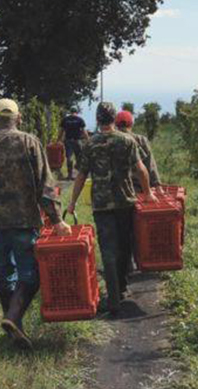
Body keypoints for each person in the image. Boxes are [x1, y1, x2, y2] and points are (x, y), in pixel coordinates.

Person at [0, 98, 71, 348]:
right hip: (24, 220)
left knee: (4, 272)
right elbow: (46, 184)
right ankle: (12, 318)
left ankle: (13, 328)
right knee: (30, 275)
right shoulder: (29, 142)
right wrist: (57, 219)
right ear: (18, 119)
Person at [63, 101, 150, 316]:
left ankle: (113, 298)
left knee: (108, 250)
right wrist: (148, 192)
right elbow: (140, 169)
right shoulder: (127, 141)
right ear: (113, 118)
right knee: (124, 245)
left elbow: (81, 176)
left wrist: (72, 203)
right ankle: (121, 287)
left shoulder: (90, 144)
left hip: (102, 206)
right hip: (125, 201)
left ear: (98, 119)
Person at [115, 109, 160, 188]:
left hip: (117, 188)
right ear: (131, 124)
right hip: (140, 187)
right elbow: (150, 164)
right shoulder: (141, 140)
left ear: (116, 124)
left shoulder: (111, 140)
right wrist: (157, 185)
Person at [60, 110, 88, 180]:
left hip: (68, 140)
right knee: (79, 157)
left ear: (70, 112)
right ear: (76, 112)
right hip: (77, 141)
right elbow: (84, 131)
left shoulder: (65, 120)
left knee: (69, 157)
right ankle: (78, 172)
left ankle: (69, 175)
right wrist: (88, 139)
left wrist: (58, 140)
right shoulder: (79, 120)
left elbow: (61, 131)